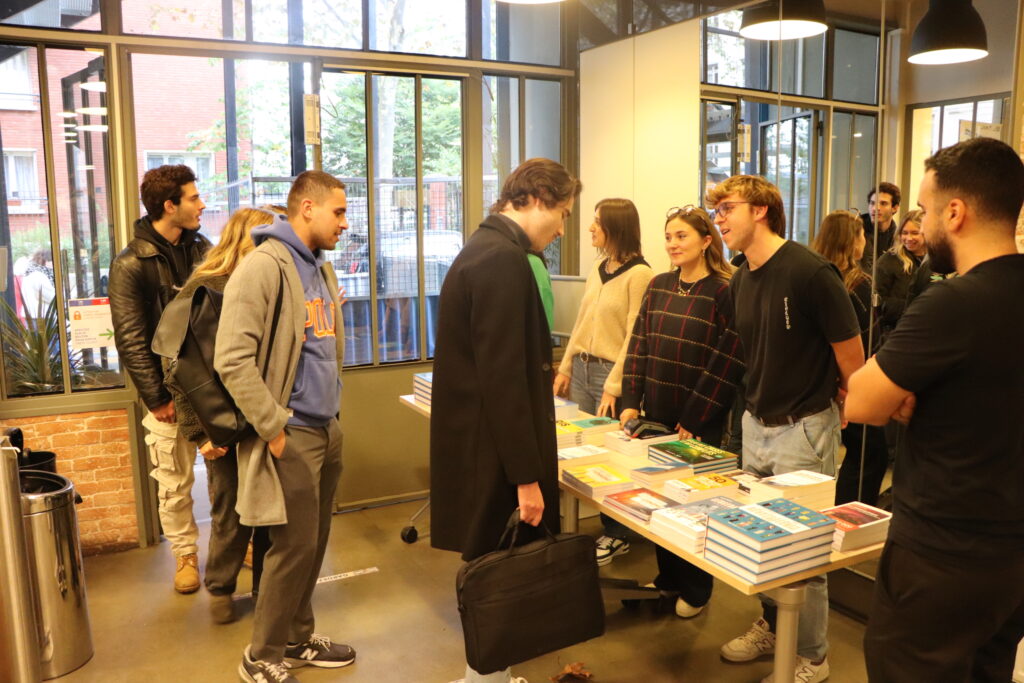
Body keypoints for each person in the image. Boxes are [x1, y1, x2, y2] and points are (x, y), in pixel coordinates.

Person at [847, 137, 1024, 683]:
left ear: (956, 211)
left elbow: (860, 400)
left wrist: (907, 394)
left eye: (923, 210)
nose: (919, 224)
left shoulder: (952, 302)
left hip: (942, 554)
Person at [430, 158, 581, 683]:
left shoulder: (487, 250)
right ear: (536, 197)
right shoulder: (502, 261)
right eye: (561, 213)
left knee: (493, 568)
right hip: (495, 456)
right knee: (498, 575)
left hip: (485, 447)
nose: (562, 228)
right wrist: (526, 476)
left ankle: (490, 675)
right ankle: (485, 678)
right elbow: (504, 380)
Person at [707, 175, 863, 683]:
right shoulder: (740, 278)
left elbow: (852, 360)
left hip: (804, 430)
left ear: (761, 211)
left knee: (805, 550)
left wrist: (840, 412)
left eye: (727, 208)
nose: (720, 219)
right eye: (717, 211)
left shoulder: (811, 273)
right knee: (766, 545)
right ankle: (776, 628)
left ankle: (813, 656)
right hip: (757, 426)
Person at [215, 171, 354, 681]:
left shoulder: (320, 269)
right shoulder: (263, 267)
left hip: (325, 425)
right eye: (338, 212)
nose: (345, 222)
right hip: (291, 431)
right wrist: (274, 427)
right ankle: (262, 655)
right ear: (308, 209)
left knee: (313, 542)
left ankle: (297, 637)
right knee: (291, 546)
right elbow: (232, 359)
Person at [619, 204, 743, 618]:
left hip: (696, 423)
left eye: (682, 236)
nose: (672, 244)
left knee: (691, 508)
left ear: (707, 240)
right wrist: (630, 401)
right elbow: (640, 345)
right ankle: (668, 577)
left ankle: (696, 588)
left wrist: (695, 418)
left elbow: (728, 362)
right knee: (658, 501)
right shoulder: (658, 285)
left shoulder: (724, 291)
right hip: (654, 415)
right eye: (668, 236)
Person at [162, 206, 275, 625]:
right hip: (224, 426)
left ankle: (268, 589)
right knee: (229, 511)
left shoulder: (268, 284)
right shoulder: (203, 290)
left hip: (263, 420)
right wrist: (198, 433)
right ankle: (222, 588)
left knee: (269, 510)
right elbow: (176, 368)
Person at [109, 164, 211, 594]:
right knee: (173, 479)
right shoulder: (131, 263)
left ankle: (232, 542)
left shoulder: (203, 248)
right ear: (169, 206)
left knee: (230, 474)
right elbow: (131, 338)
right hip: (167, 391)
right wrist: (155, 398)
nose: (201, 204)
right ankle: (185, 555)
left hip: (210, 384)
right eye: (192, 197)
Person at [553, 198, 653, 566]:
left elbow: (634, 336)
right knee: (579, 453)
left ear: (616, 227)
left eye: (597, 223)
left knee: (611, 457)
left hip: (609, 374)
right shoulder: (599, 267)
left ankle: (618, 533)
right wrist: (564, 367)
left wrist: (615, 386)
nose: (591, 228)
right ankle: (574, 523)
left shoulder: (640, 275)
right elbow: (582, 322)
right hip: (581, 368)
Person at [812, 211, 887, 507]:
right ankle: (852, 518)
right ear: (852, 241)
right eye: (862, 235)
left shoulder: (813, 279)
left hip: (823, 385)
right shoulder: (858, 286)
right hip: (855, 383)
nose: (865, 242)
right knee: (871, 455)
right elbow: (869, 342)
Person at [874, 210, 925, 339]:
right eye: (904, 233)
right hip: (895, 332)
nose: (908, 238)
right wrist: (912, 308)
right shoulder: (889, 260)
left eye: (915, 233)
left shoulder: (937, 261)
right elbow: (877, 299)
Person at [860, 182, 901, 270]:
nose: (875, 208)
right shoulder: (856, 229)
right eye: (872, 203)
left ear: (895, 208)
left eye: (883, 203)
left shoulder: (898, 236)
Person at [17, 248, 55, 321]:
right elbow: (52, 297)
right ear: (46, 261)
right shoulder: (40, 276)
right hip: (44, 316)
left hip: (30, 315)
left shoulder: (29, 272)